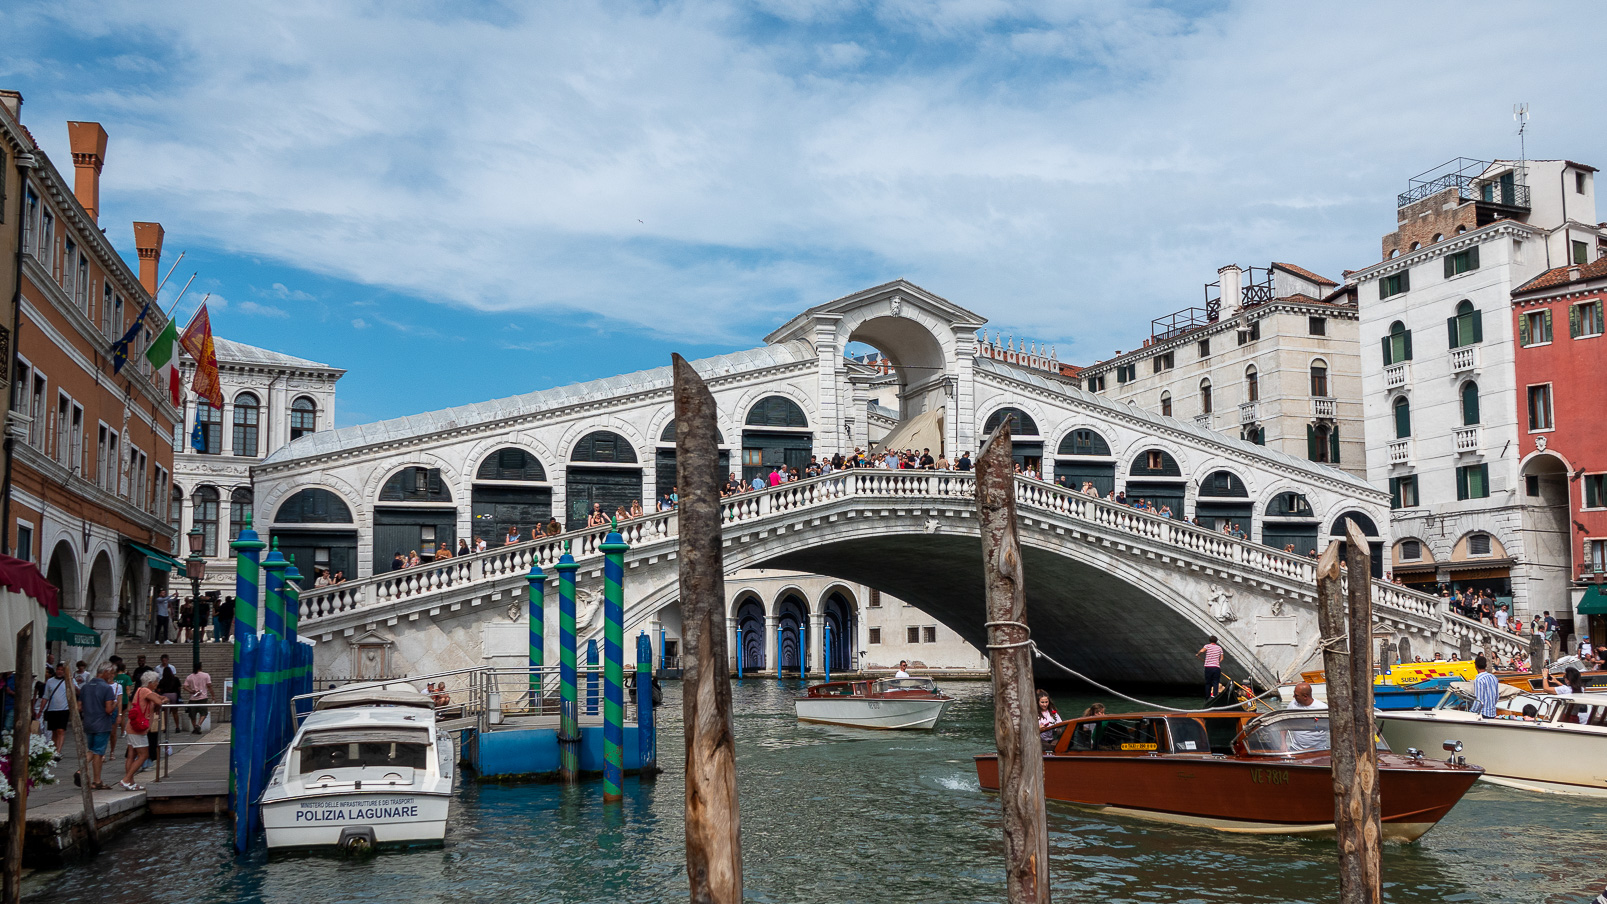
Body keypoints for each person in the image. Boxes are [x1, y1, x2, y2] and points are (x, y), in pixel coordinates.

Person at [77, 664, 119, 790]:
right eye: (111, 673)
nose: (112, 676)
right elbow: (108, 710)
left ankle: (97, 780)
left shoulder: (85, 687)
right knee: (98, 752)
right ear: (105, 672)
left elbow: (79, 707)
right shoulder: (107, 688)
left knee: (93, 749)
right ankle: (82, 772)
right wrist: (115, 704)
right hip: (102, 723)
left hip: (89, 722)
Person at [121, 674, 162, 790]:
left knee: (131, 755)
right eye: (156, 681)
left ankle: (131, 782)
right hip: (138, 729)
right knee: (144, 755)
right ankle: (126, 779)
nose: (157, 683)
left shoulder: (140, 690)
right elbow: (159, 701)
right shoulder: (146, 691)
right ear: (150, 682)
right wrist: (162, 701)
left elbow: (158, 699)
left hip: (132, 727)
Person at [1285, 682, 1328, 752]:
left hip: (1318, 750)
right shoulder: (1292, 705)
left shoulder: (1322, 708)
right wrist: (1283, 743)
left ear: (1305, 696)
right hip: (1296, 749)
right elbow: (1285, 723)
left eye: (1296, 695)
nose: (1293, 697)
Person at [41, 661, 72, 753]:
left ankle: (58, 751)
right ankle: (54, 750)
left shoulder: (69, 680)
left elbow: (77, 692)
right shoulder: (50, 681)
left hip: (64, 709)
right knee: (54, 731)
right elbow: (45, 696)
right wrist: (41, 711)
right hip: (52, 709)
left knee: (61, 730)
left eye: (62, 670)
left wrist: (71, 682)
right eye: (58, 669)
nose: (59, 671)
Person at [183, 663, 212, 734]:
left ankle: (194, 727)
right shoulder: (206, 675)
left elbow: (184, 686)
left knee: (192, 714)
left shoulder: (190, 677)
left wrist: (191, 691)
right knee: (204, 713)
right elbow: (209, 685)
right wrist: (213, 695)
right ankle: (199, 724)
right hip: (203, 697)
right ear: (201, 667)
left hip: (193, 698)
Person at [1196, 635, 1225, 699]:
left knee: (1208, 683)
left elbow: (1202, 651)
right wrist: (1217, 662)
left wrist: (1198, 654)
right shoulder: (1219, 648)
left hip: (1208, 667)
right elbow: (1222, 658)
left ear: (1209, 640)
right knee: (1216, 683)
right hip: (1216, 667)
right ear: (1216, 641)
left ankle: (1207, 697)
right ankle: (1214, 696)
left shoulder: (1207, 646)